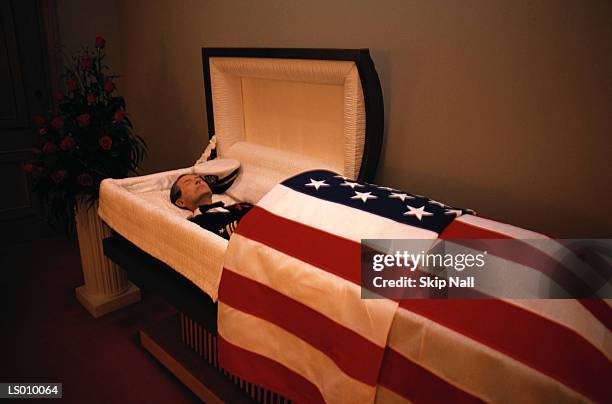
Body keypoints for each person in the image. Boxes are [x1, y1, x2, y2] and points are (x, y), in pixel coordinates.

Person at [170, 173, 252, 240]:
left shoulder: (237, 206)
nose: (198, 181)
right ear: (181, 202)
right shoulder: (195, 226)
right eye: (188, 183)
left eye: (199, 179)